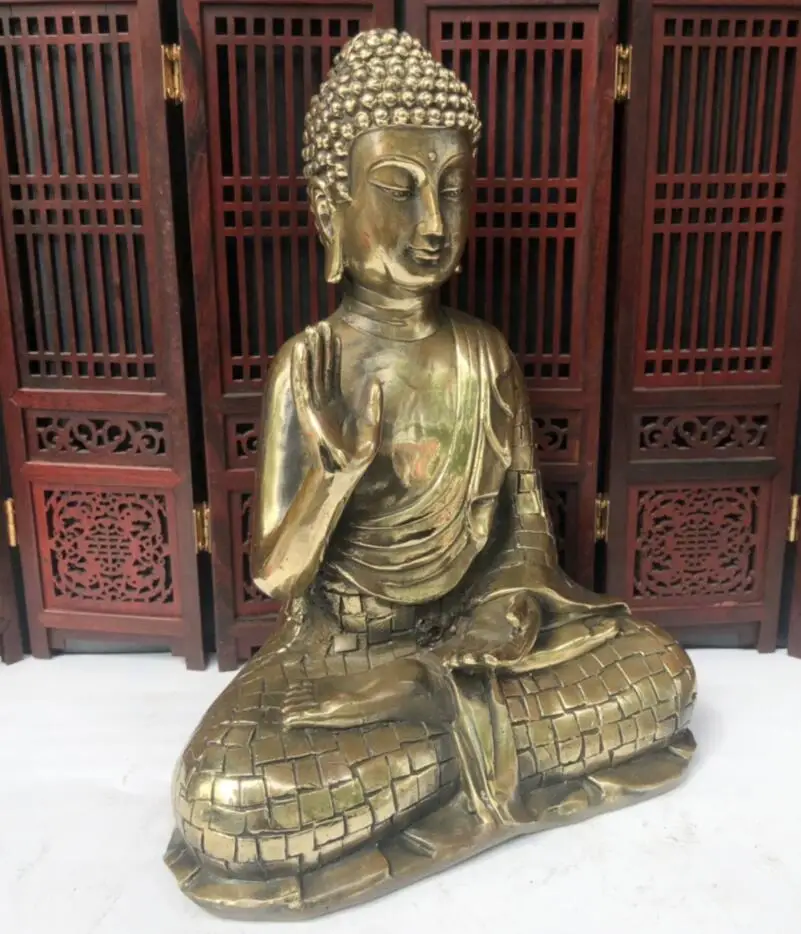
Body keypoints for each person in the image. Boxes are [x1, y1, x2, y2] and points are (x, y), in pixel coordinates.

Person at [165, 28, 696, 919]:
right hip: (341, 657)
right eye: (399, 190)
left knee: (659, 671)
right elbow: (277, 575)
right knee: (226, 797)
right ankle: (464, 740)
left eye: (451, 190)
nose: (434, 225)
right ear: (330, 208)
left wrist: (500, 611)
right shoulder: (310, 365)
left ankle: (434, 728)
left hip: (473, 646)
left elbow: (525, 526)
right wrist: (335, 480)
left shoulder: (484, 354)